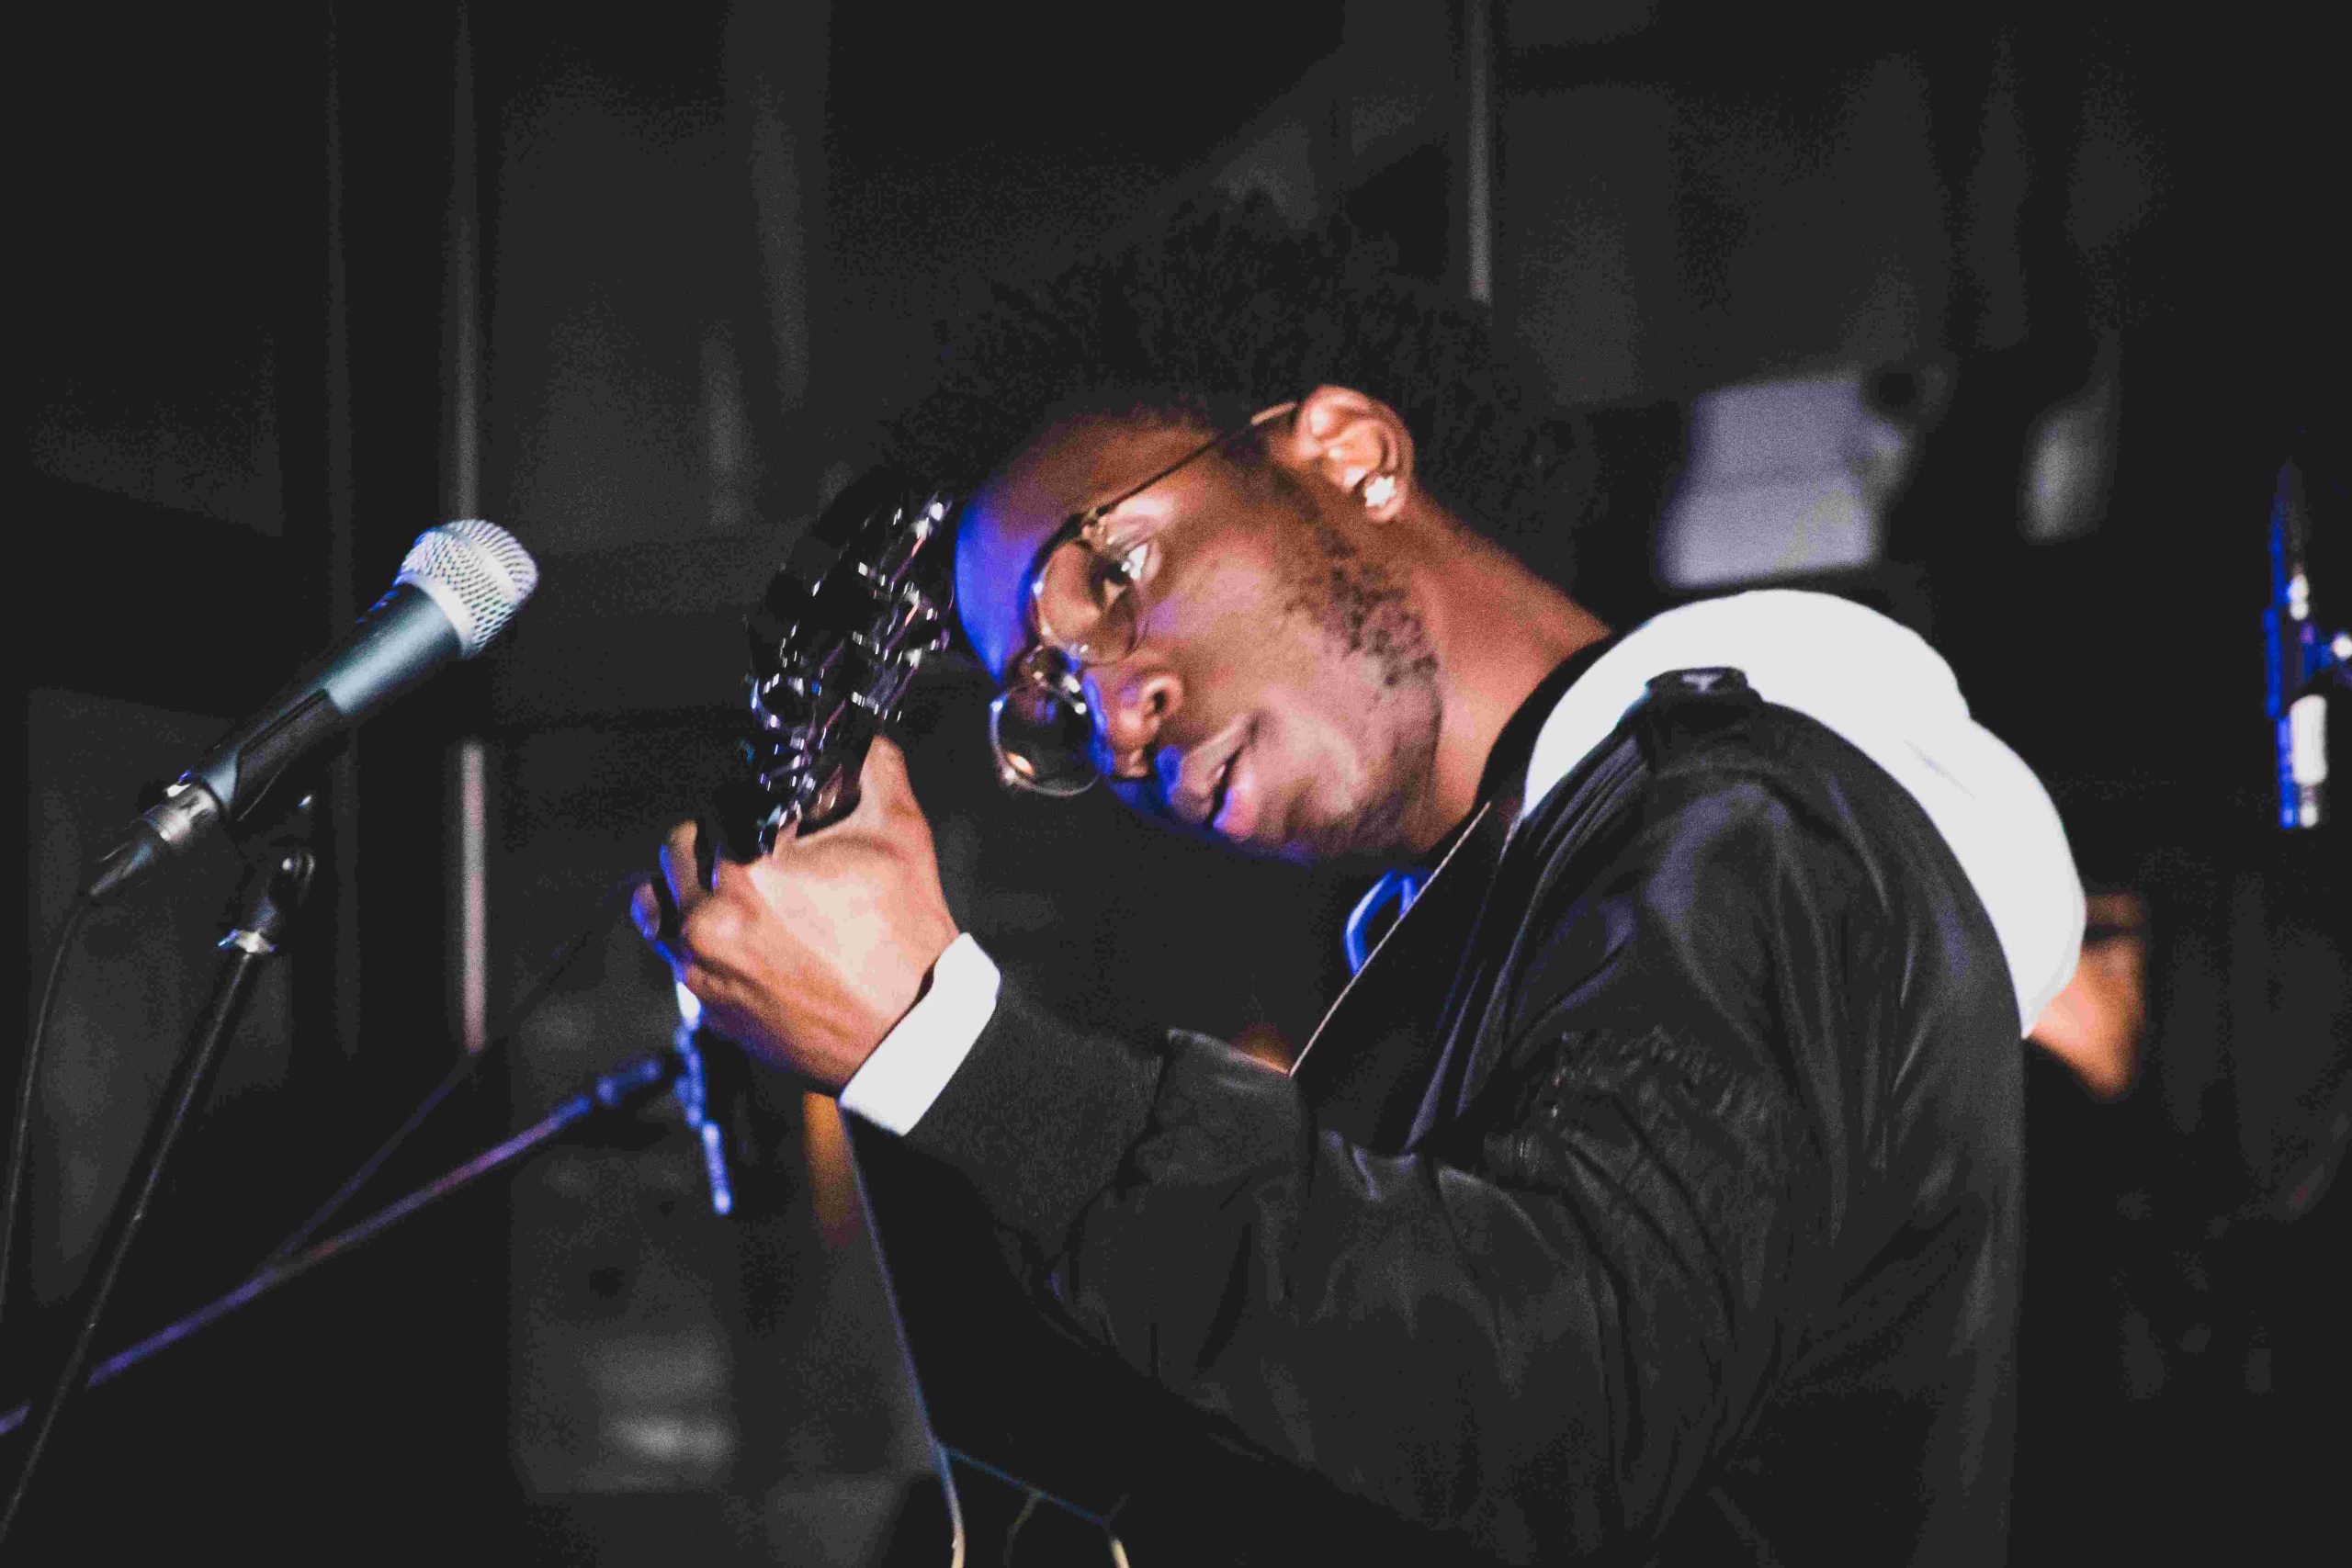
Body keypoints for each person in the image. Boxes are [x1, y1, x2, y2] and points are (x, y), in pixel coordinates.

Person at [638, 197, 2084, 1563]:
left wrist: (948, 1045)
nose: (1116, 714)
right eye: (1053, 707)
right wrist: (887, 1054)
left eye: (1114, 576)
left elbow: (1553, 1406)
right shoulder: (1481, 955)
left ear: (1349, 454)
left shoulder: (1751, 834)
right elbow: (1220, 1479)